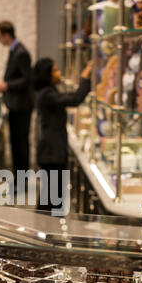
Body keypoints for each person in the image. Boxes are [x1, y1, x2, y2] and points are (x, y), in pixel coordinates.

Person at [32, 58, 92, 213]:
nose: (59, 74)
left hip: (51, 152)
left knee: (51, 197)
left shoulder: (48, 93)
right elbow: (75, 99)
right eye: (55, 70)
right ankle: (45, 232)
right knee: (51, 200)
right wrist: (85, 77)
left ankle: (45, 231)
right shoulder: (47, 95)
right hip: (51, 153)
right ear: (47, 75)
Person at [0, 21, 34, 180]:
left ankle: (21, 181)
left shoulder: (21, 52)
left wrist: (6, 85)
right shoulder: (15, 50)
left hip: (21, 107)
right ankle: (19, 179)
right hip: (16, 106)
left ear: (6, 35)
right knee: (16, 144)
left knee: (20, 145)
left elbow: (27, 79)